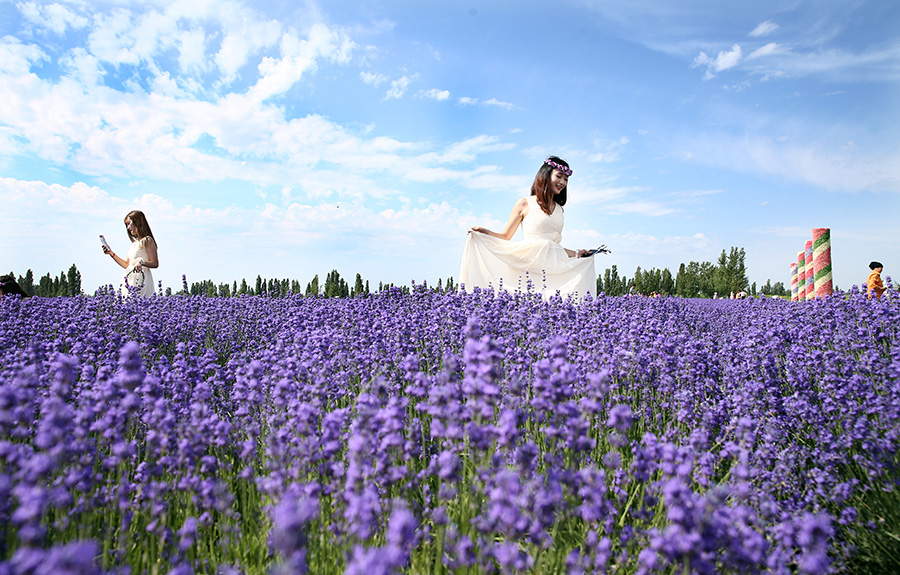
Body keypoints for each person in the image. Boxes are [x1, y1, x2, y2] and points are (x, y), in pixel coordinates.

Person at [459, 156, 596, 300]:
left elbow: (552, 246)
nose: (562, 182)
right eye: (559, 176)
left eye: (566, 179)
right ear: (546, 175)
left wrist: (576, 253)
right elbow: (506, 236)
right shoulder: (525, 203)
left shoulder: (559, 210)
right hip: (529, 265)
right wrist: (483, 232)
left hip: (552, 269)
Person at [103, 210, 159, 297]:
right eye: (126, 225)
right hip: (129, 279)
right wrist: (111, 253)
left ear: (138, 222)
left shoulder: (147, 241)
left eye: (129, 223)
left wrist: (141, 262)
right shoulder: (134, 244)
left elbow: (155, 263)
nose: (128, 227)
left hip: (142, 279)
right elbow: (127, 265)